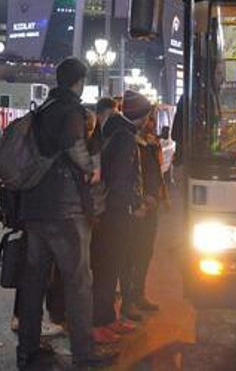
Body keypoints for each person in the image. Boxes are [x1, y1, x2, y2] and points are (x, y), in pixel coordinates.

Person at [16, 57, 116, 368]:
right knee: (78, 281)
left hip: (35, 206)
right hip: (65, 210)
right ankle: (84, 353)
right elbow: (76, 149)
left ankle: (28, 347)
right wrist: (91, 169)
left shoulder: (43, 109)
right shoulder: (71, 110)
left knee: (34, 281)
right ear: (79, 81)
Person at [92, 90, 151, 341]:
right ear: (142, 116)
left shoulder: (115, 132)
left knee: (112, 267)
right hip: (116, 212)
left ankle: (109, 319)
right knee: (108, 268)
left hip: (113, 210)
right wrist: (134, 204)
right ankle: (100, 323)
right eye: (148, 115)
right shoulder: (124, 137)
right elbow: (121, 178)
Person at [121, 107, 167, 316]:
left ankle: (138, 294)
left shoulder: (150, 144)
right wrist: (142, 200)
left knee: (145, 253)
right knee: (133, 255)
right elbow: (132, 177)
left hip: (151, 206)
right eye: (149, 119)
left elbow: (157, 174)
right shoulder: (132, 143)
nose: (152, 123)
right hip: (139, 208)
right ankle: (129, 300)